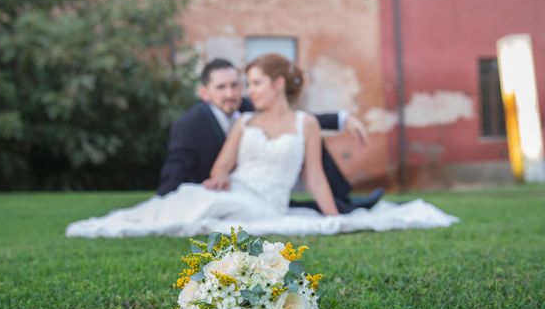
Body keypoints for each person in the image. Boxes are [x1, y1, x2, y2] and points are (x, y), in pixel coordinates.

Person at [66, 54, 458, 238]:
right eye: (233, 86)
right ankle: (156, 213)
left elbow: (316, 178)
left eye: (249, 84)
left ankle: (351, 207)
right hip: (236, 189)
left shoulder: (302, 124)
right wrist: (218, 178)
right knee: (192, 200)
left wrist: (332, 217)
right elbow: (221, 166)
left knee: (213, 209)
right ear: (206, 92)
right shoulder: (244, 121)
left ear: (275, 85)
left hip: (267, 200)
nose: (242, 92)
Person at [157, 58, 384, 213]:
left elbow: (288, 118)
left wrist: (342, 119)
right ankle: (342, 206)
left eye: (236, 85)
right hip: (227, 190)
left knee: (300, 138)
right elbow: (180, 167)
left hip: (272, 193)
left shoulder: (248, 107)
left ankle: (344, 203)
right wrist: (171, 200)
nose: (231, 93)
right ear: (205, 93)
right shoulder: (190, 124)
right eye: (221, 87)